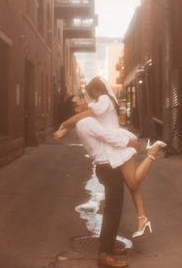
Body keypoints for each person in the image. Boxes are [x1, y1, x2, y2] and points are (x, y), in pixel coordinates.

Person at [54, 77, 166, 267]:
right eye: (80, 102)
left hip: (106, 165)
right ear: (77, 110)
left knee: (115, 207)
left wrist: (65, 127)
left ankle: (110, 245)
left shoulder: (87, 121)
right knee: (113, 210)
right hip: (108, 167)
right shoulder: (86, 123)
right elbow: (108, 135)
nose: (85, 101)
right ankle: (104, 254)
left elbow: (100, 125)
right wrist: (129, 141)